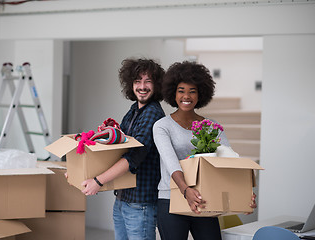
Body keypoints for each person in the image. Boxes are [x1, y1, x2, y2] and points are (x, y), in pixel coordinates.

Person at [153, 61, 257, 240]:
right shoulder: (162, 126)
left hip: (204, 199)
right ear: (173, 93)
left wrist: (244, 193)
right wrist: (186, 190)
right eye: (181, 90)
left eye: (192, 91)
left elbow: (228, 161)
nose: (187, 96)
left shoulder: (211, 126)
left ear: (201, 94)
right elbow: (171, 163)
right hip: (171, 200)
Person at [81, 58, 165, 240]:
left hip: (140, 201)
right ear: (131, 84)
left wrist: (98, 180)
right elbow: (118, 150)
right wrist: (81, 173)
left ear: (157, 85)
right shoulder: (134, 109)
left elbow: (134, 156)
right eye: (137, 81)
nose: (142, 86)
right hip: (123, 197)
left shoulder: (152, 112)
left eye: (148, 81)